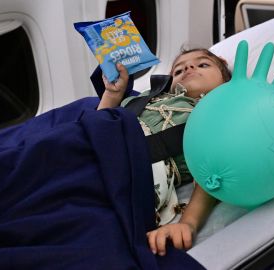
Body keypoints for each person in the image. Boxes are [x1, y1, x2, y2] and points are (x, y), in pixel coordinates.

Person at [97, 48, 232, 256]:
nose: (188, 67)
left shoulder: (218, 116)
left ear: (225, 82)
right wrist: (112, 95)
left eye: (203, 64)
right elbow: (99, 126)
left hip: (128, 175)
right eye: (178, 70)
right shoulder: (145, 99)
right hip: (98, 148)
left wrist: (188, 224)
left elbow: (211, 173)